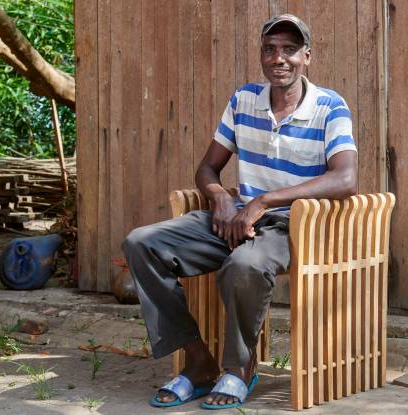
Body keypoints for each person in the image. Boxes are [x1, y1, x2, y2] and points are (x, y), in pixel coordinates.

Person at [122, 13, 358, 410]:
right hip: (235, 221)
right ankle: (198, 362)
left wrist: (263, 201)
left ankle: (239, 369)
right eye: (270, 49)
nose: (279, 58)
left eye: (290, 50)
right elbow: (207, 168)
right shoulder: (243, 100)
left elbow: (346, 178)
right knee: (141, 243)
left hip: (291, 225)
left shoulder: (329, 106)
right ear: (261, 56)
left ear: (307, 57)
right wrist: (220, 198)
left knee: (243, 266)